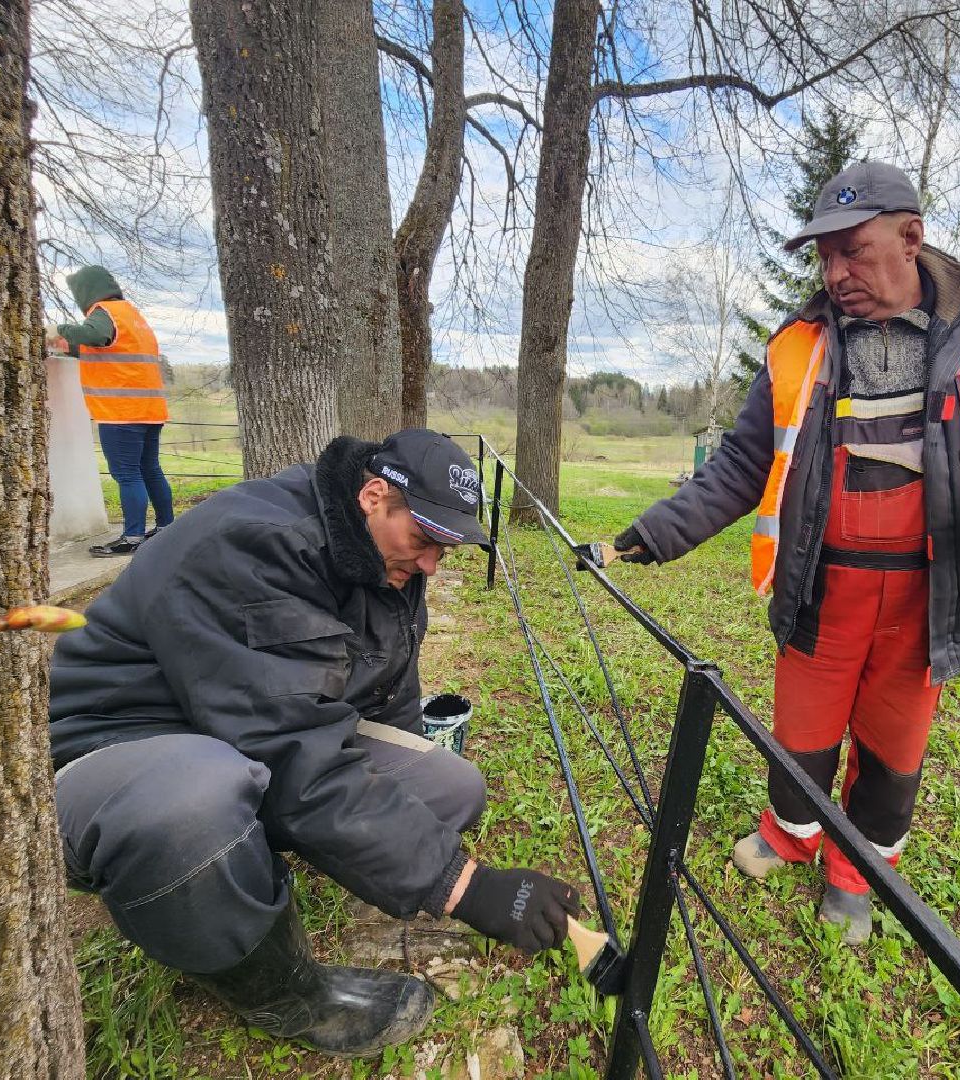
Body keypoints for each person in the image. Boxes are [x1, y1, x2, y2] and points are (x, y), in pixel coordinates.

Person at [613, 163, 960, 944]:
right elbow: (742, 463)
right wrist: (659, 530)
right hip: (817, 586)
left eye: (852, 249)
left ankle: (859, 873)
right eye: (824, 256)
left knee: (892, 745)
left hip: (930, 595)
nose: (835, 272)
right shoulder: (797, 344)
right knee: (799, 733)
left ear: (911, 236)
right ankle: (791, 835)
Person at [50, 429, 582, 1057]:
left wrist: (397, 824)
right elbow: (293, 751)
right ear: (373, 494)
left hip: (241, 726)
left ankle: (250, 848)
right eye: (424, 540)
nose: (433, 564)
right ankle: (281, 993)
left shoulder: (382, 555)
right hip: (122, 743)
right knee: (199, 801)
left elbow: (387, 696)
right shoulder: (257, 547)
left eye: (447, 546)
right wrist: (463, 885)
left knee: (448, 789)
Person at [48, 265, 174, 557]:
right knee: (150, 470)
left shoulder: (103, 312)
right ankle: (167, 528)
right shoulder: (131, 315)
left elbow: (95, 336)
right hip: (149, 410)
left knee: (127, 474)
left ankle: (132, 538)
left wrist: (59, 331)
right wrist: (70, 348)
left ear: (85, 292)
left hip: (121, 412)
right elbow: (108, 349)